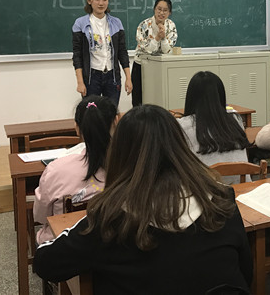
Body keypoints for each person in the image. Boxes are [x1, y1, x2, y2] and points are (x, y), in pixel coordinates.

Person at [33, 105, 253, 294]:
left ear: (120, 154)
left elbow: (45, 263)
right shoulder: (221, 198)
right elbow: (246, 271)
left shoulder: (110, 218)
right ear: (180, 146)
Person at [33, 95, 117, 244]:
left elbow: (40, 216)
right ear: (116, 122)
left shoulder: (56, 169)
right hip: (114, 243)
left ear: (77, 128)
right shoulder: (129, 166)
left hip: (65, 247)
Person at [178, 71, 251, 182]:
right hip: (242, 185)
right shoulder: (236, 119)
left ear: (190, 97)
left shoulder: (182, 125)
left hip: (207, 189)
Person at [72, 0, 132, 107]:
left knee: (111, 112)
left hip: (112, 77)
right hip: (91, 77)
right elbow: (77, 55)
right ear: (89, 1)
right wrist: (80, 82)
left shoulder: (116, 23)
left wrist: (128, 78)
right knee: (91, 113)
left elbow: (122, 52)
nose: (101, 3)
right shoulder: (80, 24)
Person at [131, 0, 178, 106]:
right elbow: (148, 50)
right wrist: (157, 38)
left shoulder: (171, 26)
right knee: (138, 100)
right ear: (154, 9)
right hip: (141, 66)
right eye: (159, 9)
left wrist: (164, 38)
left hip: (160, 67)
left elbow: (167, 50)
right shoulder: (144, 25)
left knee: (157, 99)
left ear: (169, 13)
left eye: (165, 10)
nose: (161, 13)